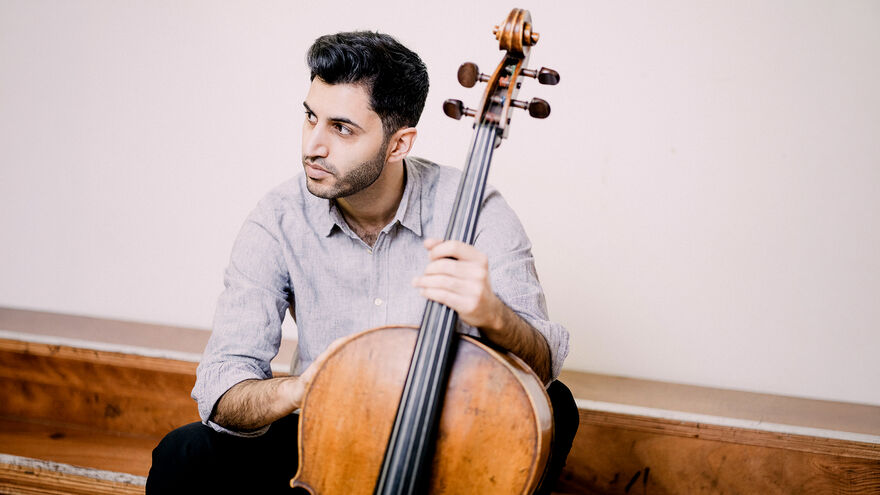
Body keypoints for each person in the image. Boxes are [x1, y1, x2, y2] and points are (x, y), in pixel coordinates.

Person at [147, 31, 577, 494]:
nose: (313, 145)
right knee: (184, 454)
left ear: (398, 144)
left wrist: (494, 315)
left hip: (447, 434)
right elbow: (222, 385)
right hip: (323, 435)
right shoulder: (278, 218)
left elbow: (543, 364)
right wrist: (300, 388)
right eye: (310, 118)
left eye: (341, 128)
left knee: (556, 404)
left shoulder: (474, 207)